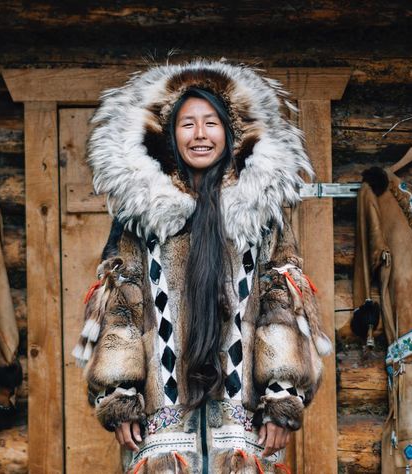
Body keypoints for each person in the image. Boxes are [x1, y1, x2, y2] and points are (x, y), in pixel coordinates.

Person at [73, 60, 332, 473]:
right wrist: (119, 394)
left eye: (211, 122)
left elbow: (281, 304)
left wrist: (283, 399)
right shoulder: (142, 216)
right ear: (168, 134)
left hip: (243, 422)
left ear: (231, 133)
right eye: (187, 124)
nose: (199, 135)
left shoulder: (260, 215)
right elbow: (121, 304)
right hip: (163, 425)